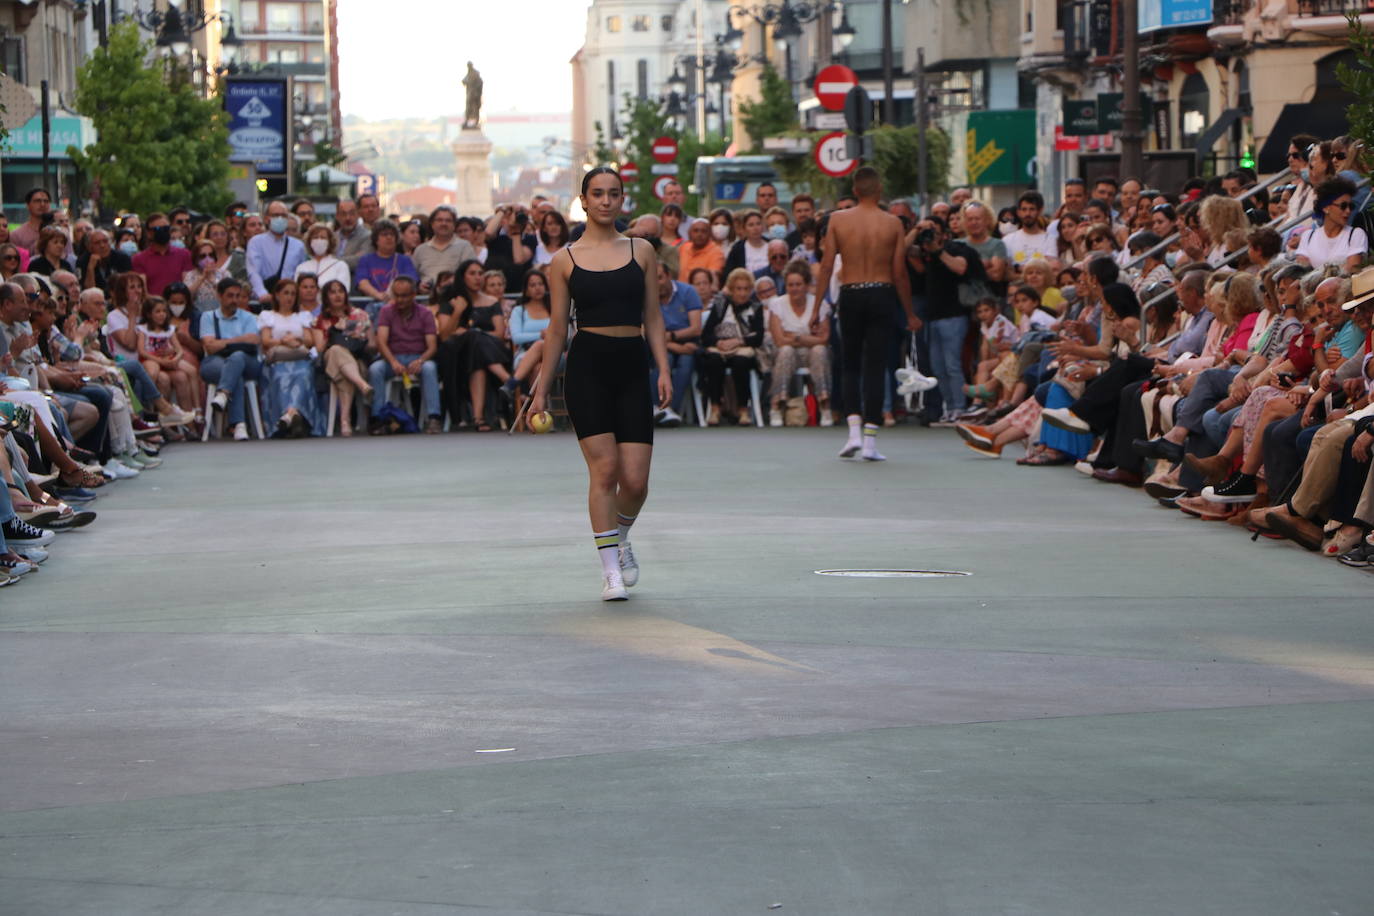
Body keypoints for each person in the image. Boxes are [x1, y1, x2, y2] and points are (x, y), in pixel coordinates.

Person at [528, 167, 672, 601]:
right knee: (605, 470)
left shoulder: (642, 250)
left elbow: (653, 317)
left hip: (632, 364)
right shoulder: (564, 260)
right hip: (587, 365)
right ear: (584, 201)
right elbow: (556, 330)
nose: (606, 201)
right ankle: (610, 570)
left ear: (622, 200)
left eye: (614, 194)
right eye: (598, 194)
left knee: (636, 481)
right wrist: (540, 388)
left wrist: (663, 368)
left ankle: (621, 539)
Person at [815, 167, 920, 457]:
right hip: (882, 292)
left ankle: (853, 432)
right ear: (880, 190)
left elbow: (826, 267)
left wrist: (816, 307)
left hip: (850, 292)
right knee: (875, 366)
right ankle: (871, 439)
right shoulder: (893, 224)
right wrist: (910, 313)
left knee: (850, 364)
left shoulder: (837, 219)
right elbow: (900, 273)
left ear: (855, 190)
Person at [907, 214, 982, 427]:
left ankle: (959, 408)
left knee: (952, 365)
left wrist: (937, 249)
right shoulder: (923, 251)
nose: (930, 237)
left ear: (944, 233)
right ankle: (949, 409)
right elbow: (901, 249)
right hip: (932, 318)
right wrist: (916, 230)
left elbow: (960, 267)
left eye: (934, 232)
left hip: (954, 317)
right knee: (938, 367)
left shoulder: (957, 248)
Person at [368, 275, 442, 434]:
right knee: (375, 369)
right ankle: (378, 419)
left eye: (404, 296)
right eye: (397, 295)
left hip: (418, 356)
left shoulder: (425, 313)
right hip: (393, 357)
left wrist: (421, 360)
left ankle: (434, 417)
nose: (400, 300)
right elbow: (381, 341)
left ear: (413, 295)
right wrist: (393, 361)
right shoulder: (386, 311)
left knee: (430, 368)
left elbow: (432, 346)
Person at [767, 260, 832, 426]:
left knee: (819, 350)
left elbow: (824, 339)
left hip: (812, 354)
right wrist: (808, 336)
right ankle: (777, 404)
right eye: (790, 285)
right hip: (786, 355)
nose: (794, 288)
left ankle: (825, 405)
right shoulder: (777, 304)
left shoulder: (819, 304)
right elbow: (779, 340)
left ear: (806, 285)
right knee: (786, 351)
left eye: (798, 284)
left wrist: (796, 337)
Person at [199, 277, 263, 441]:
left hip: (248, 361)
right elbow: (210, 346)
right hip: (215, 362)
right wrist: (238, 341)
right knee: (236, 374)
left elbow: (254, 340)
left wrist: (225, 343)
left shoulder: (248, 317)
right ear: (219, 296)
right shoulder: (208, 317)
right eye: (230, 296)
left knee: (238, 357)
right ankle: (239, 425)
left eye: (237, 296)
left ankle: (223, 394)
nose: (235, 300)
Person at [257, 278, 322, 437]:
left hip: (299, 358)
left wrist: (296, 340)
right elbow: (265, 341)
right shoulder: (268, 315)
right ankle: (292, 416)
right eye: (286, 293)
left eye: (293, 294)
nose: (289, 297)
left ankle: (290, 414)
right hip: (277, 360)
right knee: (280, 376)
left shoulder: (302, 316)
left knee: (304, 374)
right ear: (277, 295)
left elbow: (309, 340)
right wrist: (283, 341)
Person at [312, 279, 373, 436]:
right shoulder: (321, 320)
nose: (337, 295)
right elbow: (319, 348)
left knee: (344, 372)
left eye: (341, 291)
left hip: (356, 359)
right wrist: (333, 331)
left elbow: (373, 345)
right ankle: (362, 385)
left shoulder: (360, 315)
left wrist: (358, 335)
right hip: (329, 360)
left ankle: (345, 421)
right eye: (333, 292)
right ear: (326, 297)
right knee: (336, 350)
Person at [650, 260, 702, 427]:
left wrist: (670, 337)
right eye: (652, 279)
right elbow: (644, 330)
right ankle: (662, 409)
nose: (656, 283)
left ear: (669, 276)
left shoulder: (688, 291)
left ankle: (668, 409)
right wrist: (674, 345)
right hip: (658, 345)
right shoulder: (647, 295)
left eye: (659, 278)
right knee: (665, 360)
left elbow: (695, 329)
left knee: (686, 363)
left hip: (686, 343)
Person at [136, 296, 198, 420]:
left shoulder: (169, 329)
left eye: (164, 311)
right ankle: (149, 405)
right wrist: (160, 361)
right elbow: (142, 351)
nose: (162, 315)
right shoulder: (143, 329)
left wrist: (176, 358)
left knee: (191, 370)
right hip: (152, 358)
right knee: (153, 373)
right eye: (157, 312)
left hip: (168, 358)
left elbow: (178, 349)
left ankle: (198, 408)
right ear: (149, 314)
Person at [1295, 177, 1367, 273]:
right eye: (1343, 206)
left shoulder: (1356, 234)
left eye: (1351, 206)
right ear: (1326, 208)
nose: (1348, 211)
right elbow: (1302, 270)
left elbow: (1353, 268)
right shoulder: (1308, 236)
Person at [246, 201, 307, 305]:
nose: (280, 218)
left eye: (283, 215)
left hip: (290, 301)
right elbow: (253, 271)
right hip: (266, 299)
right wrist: (262, 293)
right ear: (266, 218)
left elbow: (300, 274)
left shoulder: (298, 246)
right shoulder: (256, 242)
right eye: (275, 215)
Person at [355, 219, 419, 308]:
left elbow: (411, 281)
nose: (389, 237)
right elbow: (362, 283)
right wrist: (377, 295)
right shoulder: (365, 260)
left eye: (392, 234)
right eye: (384, 234)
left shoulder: (405, 260)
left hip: (399, 306)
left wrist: (392, 296)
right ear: (376, 239)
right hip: (372, 305)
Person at [412, 205, 476, 293]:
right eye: (439, 220)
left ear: (454, 225)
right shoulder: (420, 250)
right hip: (427, 300)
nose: (444, 224)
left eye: (448, 220)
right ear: (432, 224)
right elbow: (413, 278)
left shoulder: (464, 246)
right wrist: (419, 286)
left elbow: (472, 274)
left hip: (456, 298)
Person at [132, 213, 194, 296]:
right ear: (148, 233)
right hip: (153, 306)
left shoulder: (184, 254)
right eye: (157, 229)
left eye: (166, 228)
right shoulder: (139, 259)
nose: (162, 231)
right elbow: (142, 291)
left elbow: (187, 285)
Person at [1003, 190, 1058, 275]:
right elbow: (1007, 272)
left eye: (1032, 209)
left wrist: (1018, 268)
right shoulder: (1007, 240)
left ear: (1040, 211)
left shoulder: (1050, 239)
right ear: (1018, 212)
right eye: (1024, 209)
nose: (1027, 214)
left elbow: (1049, 269)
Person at [295, 223, 351, 291]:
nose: (319, 240)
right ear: (309, 242)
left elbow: (343, 290)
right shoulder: (301, 267)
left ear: (330, 241)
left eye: (323, 238)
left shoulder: (340, 266)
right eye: (315, 237)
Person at [677, 218, 725, 284]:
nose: (699, 234)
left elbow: (713, 276)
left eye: (704, 231)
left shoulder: (716, 252)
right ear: (690, 233)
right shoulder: (684, 247)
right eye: (696, 231)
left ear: (710, 234)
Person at [724, 210, 769, 275]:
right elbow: (729, 273)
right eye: (751, 225)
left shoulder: (772, 245)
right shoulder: (737, 249)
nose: (755, 228)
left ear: (763, 227)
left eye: (758, 224)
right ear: (744, 228)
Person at [335, 197, 372, 269]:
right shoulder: (332, 237)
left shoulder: (368, 236)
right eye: (343, 214)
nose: (347, 218)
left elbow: (360, 260)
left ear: (358, 214)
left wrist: (332, 261)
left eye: (352, 213)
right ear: (337, 216)